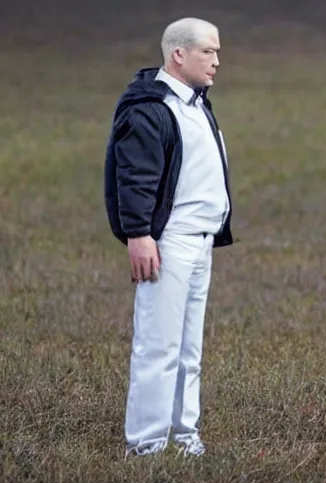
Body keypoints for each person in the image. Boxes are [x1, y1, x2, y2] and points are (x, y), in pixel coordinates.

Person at [103, 17, 234, 457]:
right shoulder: (151, 108)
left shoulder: (195, 103)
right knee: (157, 346)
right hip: (169, 243)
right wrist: (139, 235)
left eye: (216, 52)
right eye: (208, 52)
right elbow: (135, 175)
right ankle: (146, 443)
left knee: (188, 349)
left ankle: (183, 434)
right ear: (179, 54)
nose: (217, 61)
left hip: (200, 242)